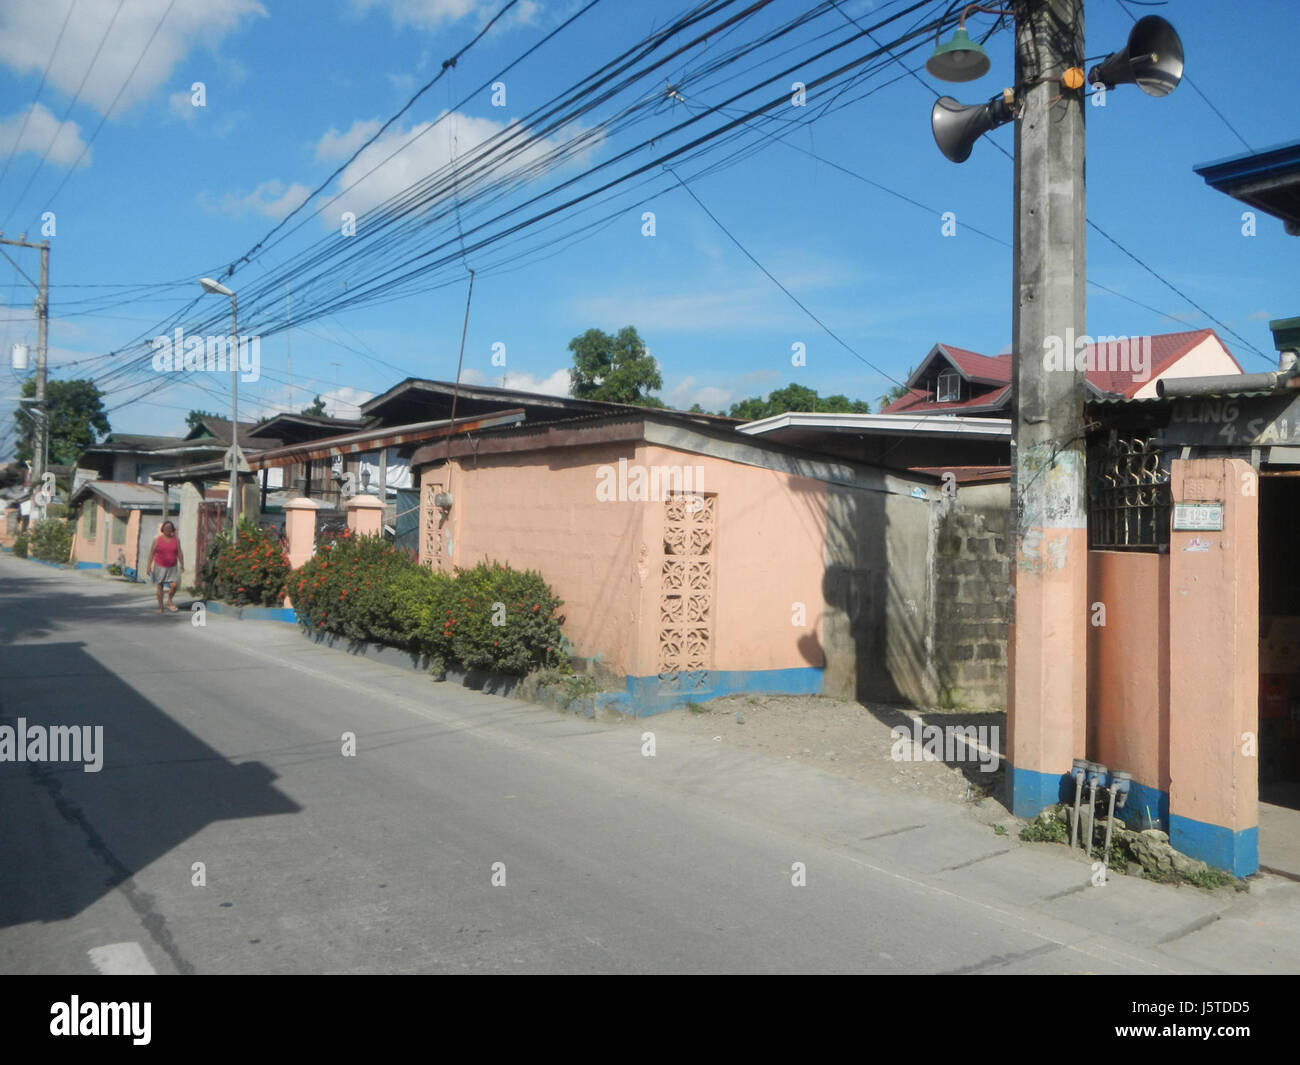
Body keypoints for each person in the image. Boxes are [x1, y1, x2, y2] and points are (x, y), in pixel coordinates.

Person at [146, 520, 185, 613]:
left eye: (170, 528)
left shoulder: (176, 539)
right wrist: (148, 566)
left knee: (174, 585)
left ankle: (169, 601)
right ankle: (160, 607)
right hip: (159, 566)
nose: (168, 529)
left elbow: (179, 552)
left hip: (172, 566)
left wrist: (182, 564)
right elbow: (151, 553)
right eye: (166, 528)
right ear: (163, 529)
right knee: (160, 586)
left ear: (172, 529)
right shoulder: (157, 539)